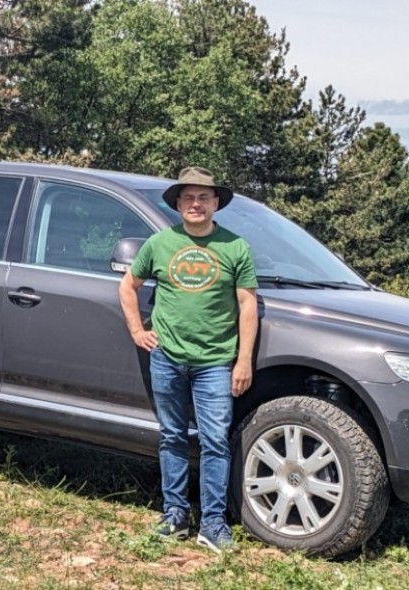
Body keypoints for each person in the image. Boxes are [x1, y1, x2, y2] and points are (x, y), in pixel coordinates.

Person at [118, 166, 258, 553]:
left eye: (203, 197)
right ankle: (174, 515)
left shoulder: (235, 247)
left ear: (216, 203)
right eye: (188, 198)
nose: (195, 204)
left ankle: (213, 524)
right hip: (166, 356)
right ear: (178, 204)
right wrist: (136, 330)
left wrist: (242, 360)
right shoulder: (160, 244)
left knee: (215, 441)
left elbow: (247, 306)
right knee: (172, 437)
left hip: (215, 362)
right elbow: (129, 285)